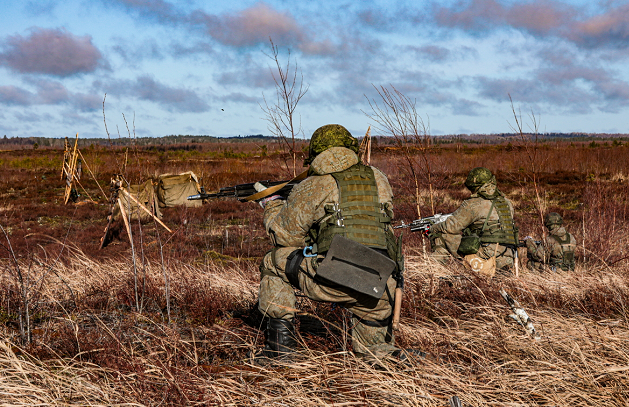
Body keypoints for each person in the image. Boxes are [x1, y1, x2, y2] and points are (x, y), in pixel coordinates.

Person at [253, 124, 414, 364]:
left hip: (336, 276)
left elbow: (285, 237)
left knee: (273, 262)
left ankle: (279, 351)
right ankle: (389, 356)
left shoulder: (315, 184)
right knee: (374, 355)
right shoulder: (379, 178)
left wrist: (273, 204)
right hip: (381, 281)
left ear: (316, 153)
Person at [429, 167, 518, 272]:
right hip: (509, 257)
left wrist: (432, 228)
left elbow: (451, 227)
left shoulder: (475, 204)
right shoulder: (506, 202)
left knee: (442, 235)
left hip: (486, 257)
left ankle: (432, 272)